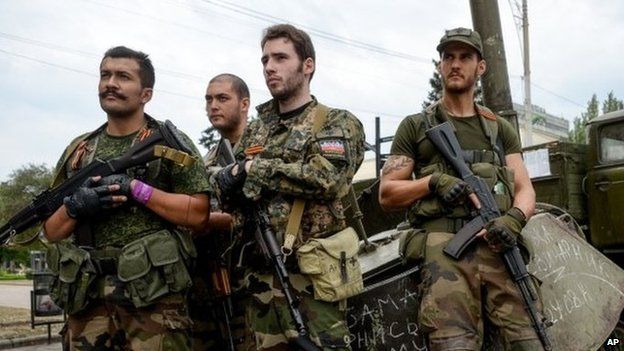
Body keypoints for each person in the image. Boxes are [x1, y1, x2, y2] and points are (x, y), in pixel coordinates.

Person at [379, 28, 541, 350]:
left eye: (465, 57)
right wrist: (432, 182)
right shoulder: (416, 126)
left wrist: (513, 220)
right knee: (453, 345)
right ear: (439, 66)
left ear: (480, 67)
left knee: (531, 339)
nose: (456, 64)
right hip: (445, 254)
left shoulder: (499, 128)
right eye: (448, 57)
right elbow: (387, 193)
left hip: (499, 247)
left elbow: (525, 189)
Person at [43, 46, 211, 350]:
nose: (111, 83)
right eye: (105, 75)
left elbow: (198, 213)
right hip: (88, 299)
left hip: (154, 299)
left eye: (123, 76)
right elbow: (52, 230)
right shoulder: (79, 150)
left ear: (145, 93)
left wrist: (137, 189)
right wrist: (75, 207)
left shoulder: (170, 142)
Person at [213, 24, 365, 350]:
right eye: (265, 59)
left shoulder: (336, 122)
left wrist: (253, 169)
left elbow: (326, 178)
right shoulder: (256, 132)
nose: (270, 67)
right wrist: (231, 177)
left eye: (281, 57)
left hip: (312, 282)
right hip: (258, 285)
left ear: (307, 65)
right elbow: (221, 182)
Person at [190, 73, 250, 350]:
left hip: (258, 278)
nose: (213, 106)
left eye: (222, 98)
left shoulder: (263, 150)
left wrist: (208, 220)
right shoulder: (206, 162)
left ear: (244, 104)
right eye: (208, 99)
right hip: (216, 281)